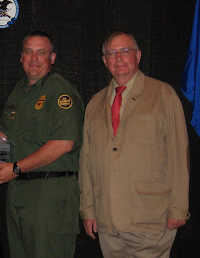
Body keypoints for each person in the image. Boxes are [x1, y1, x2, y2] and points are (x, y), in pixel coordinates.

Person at [79, 31, 190, 257]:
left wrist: (178, 208)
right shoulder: (94, 103)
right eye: (112, 52)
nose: (118, 57)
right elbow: (87, 161)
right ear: (104, 61)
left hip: (150, 217)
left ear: (138, 56)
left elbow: (179, 155)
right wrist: (88, 210)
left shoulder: (163, 95)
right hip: (107, 219)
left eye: (125, 51)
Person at [0, 30, 84, 258]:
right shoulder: (19, 91)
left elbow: (63, 143)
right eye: (28, 52)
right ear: (20, 57)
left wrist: (16, 168)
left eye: (41, 52)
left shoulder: (60, 92)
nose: (34, 58)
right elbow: (4, 135)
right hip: (19, 191)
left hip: (49, 194)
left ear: (53, 58)